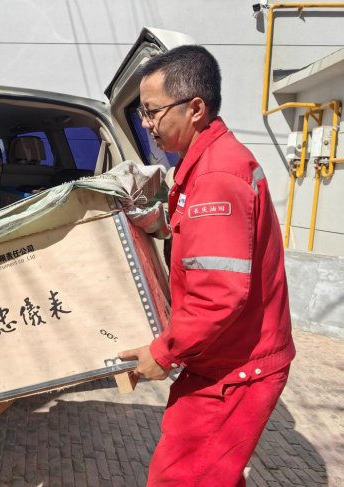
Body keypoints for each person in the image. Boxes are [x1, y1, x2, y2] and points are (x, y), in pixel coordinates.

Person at [118, 45, 295, 486]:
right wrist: (151, 220)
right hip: (220, 357)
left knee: (182, 478)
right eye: (142, 113)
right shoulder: (205, 165)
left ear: (195, 108)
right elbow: (196, 235)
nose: (146, 123)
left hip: (234, 369)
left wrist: (164, 352)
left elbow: (218, 294)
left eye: (152, 112)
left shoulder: (217, 176)